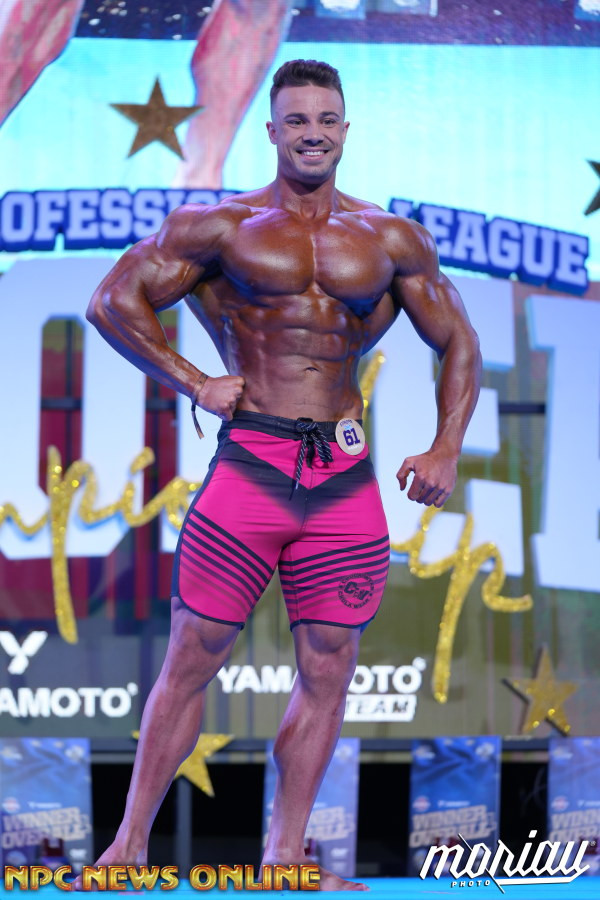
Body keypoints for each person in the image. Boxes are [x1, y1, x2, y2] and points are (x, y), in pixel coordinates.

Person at [82, 59, 481, 892]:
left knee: (330, 667)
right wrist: (194, 380)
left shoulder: (390, 239)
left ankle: (283, 858)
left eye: (326, 120)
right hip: (251, 468)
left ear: (345, 129)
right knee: (193, 654)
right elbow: (112, 300)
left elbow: (458, 341)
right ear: (272, 130)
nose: (312, 133)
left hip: (342, 480)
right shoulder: (220, 227)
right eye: (296, 119)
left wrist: (446, 446)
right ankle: (126, 851)